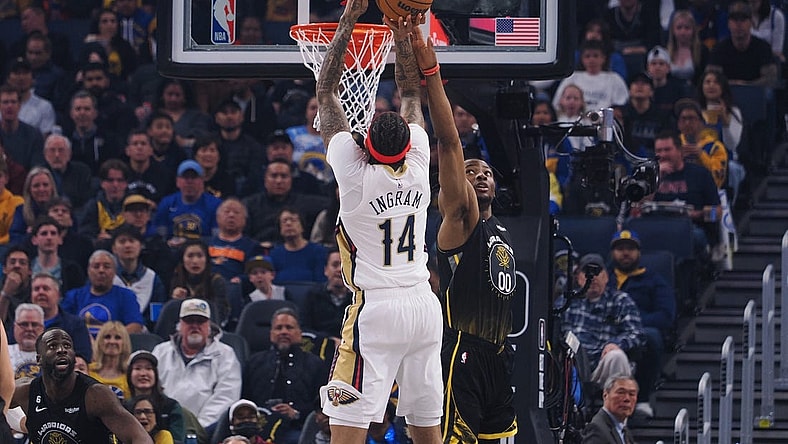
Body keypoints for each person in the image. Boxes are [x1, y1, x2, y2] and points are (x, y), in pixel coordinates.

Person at [316, 4, 442, 443]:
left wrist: (350, 15)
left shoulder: (352, 173)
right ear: (408, 145)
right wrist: (403, 33)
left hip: (378, 310)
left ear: (364, 144)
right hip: (425, 306)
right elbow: (411, 93)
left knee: (346, 429)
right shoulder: (420, 163)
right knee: (425, 425)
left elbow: (326, 89)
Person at [411, 22, 519, 443]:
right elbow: (450, 144)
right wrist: (432, 76)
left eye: (487, 171)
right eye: (472, 172)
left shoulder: (501, 229)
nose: (480, 175)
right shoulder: (462, 218)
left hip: (497, 354)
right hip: (463, 353)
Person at [9, 328, 153, 443]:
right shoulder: (25, 391)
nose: (61, 350)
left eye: (67, 346)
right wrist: (22, 423)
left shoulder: (96, 396)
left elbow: (140, 438)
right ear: (39, 359)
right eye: (53, 346)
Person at [608, 230, 675, 418]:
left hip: (640, 331)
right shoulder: (604, 278)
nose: (625, 253)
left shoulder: (654, 280)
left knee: (651, 336)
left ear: (639, 252)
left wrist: (632, 322)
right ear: (612, 252)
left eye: (630, 248)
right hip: (605, 331)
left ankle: (643, 398)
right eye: (620, 248)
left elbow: (666, 316)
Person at [152, 298, 242, 429]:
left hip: (207, 430)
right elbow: (150, 391)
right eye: (189, 321)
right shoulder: (160, 352)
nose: (195, 326)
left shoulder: (226, 354)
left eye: (200, 321)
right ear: (180, 325)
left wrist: (197, 427)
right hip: (162, 426)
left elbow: (226, 397)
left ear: (208, 326)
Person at [556, 254, 645, 386]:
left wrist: (616, 344)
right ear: (578, 277)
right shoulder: (566, 301)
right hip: (572, 365)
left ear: (606, 277)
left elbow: (637, 334)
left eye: (597, 272)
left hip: (603, 364)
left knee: (617, 356)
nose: (593, 277)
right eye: (587, 272)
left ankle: (615, 405)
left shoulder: (621, 301)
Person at [242, 308, 327, 444]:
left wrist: (295, 412)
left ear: (299, 333)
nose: (284, 332)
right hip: (259, 428)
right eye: (278, 328)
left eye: (289, 327)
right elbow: (245, 399)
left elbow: (321, 405)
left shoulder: (315, 364)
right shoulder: (254, 362)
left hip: (299, 427)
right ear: (271, 334)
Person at [62, 249, 145, 337]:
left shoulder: (126, 296)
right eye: (96, 266)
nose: (101, 270)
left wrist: (109, 339)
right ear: (88, 271)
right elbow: (63, 324)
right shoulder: (73, 296)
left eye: (107, 266)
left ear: (114, 272)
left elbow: (135, 326)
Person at [708, 1, 779, 87]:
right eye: (734, 20)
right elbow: (711, 78)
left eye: (743, 20)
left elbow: (771, 79)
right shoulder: (719, 49)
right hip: (726, 94)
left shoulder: (763, 47)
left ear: (750, 23)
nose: (738, 24)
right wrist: (733, 85)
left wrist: (746, 86)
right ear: (728, 24)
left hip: (757, 95)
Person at [154, 160, 222, 246]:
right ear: (177, 181)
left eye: (194, 177)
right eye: (185, 177)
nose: (189, 181)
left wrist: (187, 243)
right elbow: (160, 237)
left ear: (202, 181)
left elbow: (217, 239)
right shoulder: (166, 203)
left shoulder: (215, 205)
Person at [111, 223, 167, 327]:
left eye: (132, 241)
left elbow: (156, 316)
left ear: (141, 246)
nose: (127, 245)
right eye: (122, 241)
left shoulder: (153, 279)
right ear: (114, 248)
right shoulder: (107, 277)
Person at [126, 350, 188, 443]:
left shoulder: (171, 406)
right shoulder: (124, 407)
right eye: (138, 368)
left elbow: (178, 440)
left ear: (156, 374)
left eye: (148, 368)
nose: (143, 374)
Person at [29, 272, 93, 361]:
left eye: (46, 289)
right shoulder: (21, 323)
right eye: (36, 289)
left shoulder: (75, 324)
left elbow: (83, 358)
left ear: (58, 295)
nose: (41, 292)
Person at [170, 239, 230, 325]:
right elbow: (169, 317)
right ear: (182, 260)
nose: (195, 261)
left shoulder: (216, 281)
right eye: (190, 256)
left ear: (206, 260)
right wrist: (175, 302)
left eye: (200, 256)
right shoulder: (176, 280)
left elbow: (220, 315)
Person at [674, 98, 729, 189]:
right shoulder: (671, 145)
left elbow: (718, 181)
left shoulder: (715, 147)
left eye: (691, 118)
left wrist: (701, 155)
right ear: (678, 123)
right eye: (683, 119)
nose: (687, 123)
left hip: (706, 194)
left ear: (701, 122)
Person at [208, 198, 264, 282]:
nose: (231, 215)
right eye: (227, 211)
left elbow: (255, 273)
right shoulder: (205, 243)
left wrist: (240, 280)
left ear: (244, 220)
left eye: (236, 212)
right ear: (218, 218)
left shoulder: (252, 247)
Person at [301, 250, 351, 338]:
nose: (339, 269)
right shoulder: (312, 295)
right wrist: (329, 341)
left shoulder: (359, 298)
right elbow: (304, 329)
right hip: (320, 346)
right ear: (326, 270)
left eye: (344, 265)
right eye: (335, 265)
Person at [269, 208, 328, 284]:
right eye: (284, 221)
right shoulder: (275, 254)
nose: (288, 223)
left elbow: (321, 281)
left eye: (293, 220)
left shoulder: (318, 251)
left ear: (302, 226)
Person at [79, 159, 131, 243]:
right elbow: (85, 234)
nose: (115, 185)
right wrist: (96, 240)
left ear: (126, 183)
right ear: (102, 183)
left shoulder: (134, 205)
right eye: (110, 180)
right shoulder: (93, 206)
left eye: (120, 180)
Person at [41, 134, 94, 212]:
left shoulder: (82, 172)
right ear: (45, 154)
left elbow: (86, 202)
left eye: (61, 150)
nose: (57, 155)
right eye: (52, 150)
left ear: (69, 154)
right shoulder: (39, 173)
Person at [581, 375, 639, 444]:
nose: (627, 399)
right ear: (605, 395)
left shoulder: (623, 430)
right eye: (621, 392)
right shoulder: (597, 429)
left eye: (632, 394)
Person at [0, 84, 45, 170]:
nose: (9, 106)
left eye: (13, 102)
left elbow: (37, 168)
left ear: (19, 105)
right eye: (5, 102)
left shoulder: (34, 135)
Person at [89, 321, 133, 400]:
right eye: (107, 337)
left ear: (125, 343)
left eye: (117, 337)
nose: (112, 341)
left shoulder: (130, 374)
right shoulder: (88, 371)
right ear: (100, 342)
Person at [9, 303, 44, 379]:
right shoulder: (3, 352)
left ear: (42, 328)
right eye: (24, 324)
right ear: (15, 327)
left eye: (34, 324)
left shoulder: (53, 355)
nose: (29, 329)